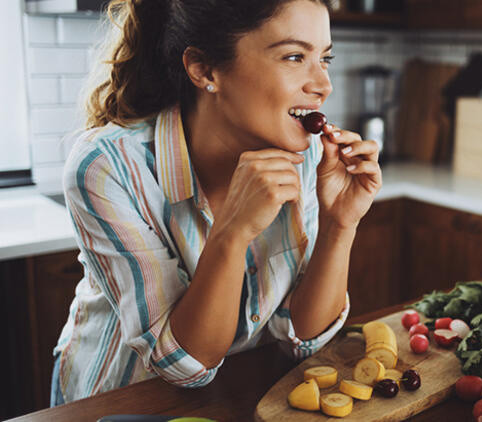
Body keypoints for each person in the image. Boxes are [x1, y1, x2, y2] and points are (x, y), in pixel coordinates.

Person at [51, 0, 381, 405]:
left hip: (232, 397)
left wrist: (339, 225)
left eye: (324, 58)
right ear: (205, 69)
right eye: (295, 56)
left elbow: (305, 337)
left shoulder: (306, 155)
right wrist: (233, 231)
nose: (323, 84)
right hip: (121, 400)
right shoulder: (108, 167)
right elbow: (183, 365)